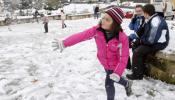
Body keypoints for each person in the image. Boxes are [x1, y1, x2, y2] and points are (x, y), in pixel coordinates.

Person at [52, 7, 133, 100]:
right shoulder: (97, 31)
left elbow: (124, 57)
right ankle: (127, 83)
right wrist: (65, 43)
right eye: (103, 17)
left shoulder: (122, 38)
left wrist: (118, 72)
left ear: (115, 23)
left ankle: (121, 87)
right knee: (113, 77)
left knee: (109, 83)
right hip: (104, 63)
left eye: (107, 20)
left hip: (116, 65)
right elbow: (82, 36)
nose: (103, 20)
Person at [126, 4, 170, 80]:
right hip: (152, 41)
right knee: (135, 46)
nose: (142, 14)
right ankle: (140, 69)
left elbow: (151, 40)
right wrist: (137, 40)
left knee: (138, 51)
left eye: (143, 12)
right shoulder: (149, 18)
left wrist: (140, 41)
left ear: (146, 13)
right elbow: (142, 31)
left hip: (159, 43)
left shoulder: (156, 21)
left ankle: (137, 75)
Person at [127, 5, 145, 69]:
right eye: (136, 11)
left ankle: (136, 66)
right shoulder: (136, 18)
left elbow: (141, 32)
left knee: (135, 49)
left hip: (141, 38)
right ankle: (127, 65)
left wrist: (133, 36)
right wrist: (133, 20)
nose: (138, 13)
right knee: (123, 44)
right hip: (134, 36)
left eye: (140, 11)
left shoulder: (145, 19)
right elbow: (130, 27)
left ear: (143, 11)